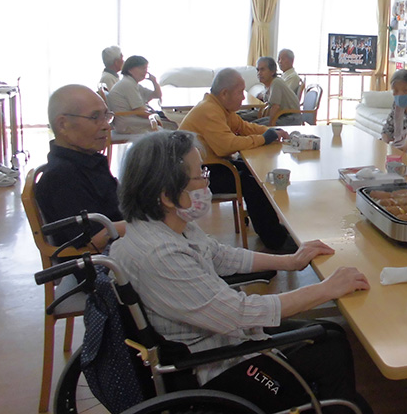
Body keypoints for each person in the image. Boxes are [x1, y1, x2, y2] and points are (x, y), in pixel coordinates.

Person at [110, 130, 372, 414]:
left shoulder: (165, 226)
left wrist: (289, 261)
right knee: (328, 350)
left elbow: (221, 255)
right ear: (167, 196)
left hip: (217, 337)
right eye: (200, 176)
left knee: (331, 333)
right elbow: (239, 313)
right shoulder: (160, 256)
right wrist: (324, 290)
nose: (206, 182)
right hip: (211, 365)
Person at [179, 68, 294, 251]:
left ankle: (271, 229)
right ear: (225, 93)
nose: (243, 97)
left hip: (210, 165)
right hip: (197, 176)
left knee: (256, 173)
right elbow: (227, 146)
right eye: (240, 92)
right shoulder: (209, 111)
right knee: (252, 183)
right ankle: (275, 240)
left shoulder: (219, 107)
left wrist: (271, 132)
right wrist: (264, 139)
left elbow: (244, 127)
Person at [35, 84, 126, 249]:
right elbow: (94, 240)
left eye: (106, 116)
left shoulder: (89, 160)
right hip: (100, 260)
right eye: (95, 117)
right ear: (63, 125)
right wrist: (148, 225)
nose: (106, 126)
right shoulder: (62, 176)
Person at [106, 55, 175, 134]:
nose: (145, 71)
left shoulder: (132, 83)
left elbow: (157, 95)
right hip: (129, 125)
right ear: (130, 70)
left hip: (131, 121)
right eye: (142, 68)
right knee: (172, 125)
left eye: (146, 68)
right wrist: (156, 117)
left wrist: (154, 81)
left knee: (168, 121)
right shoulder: (127, 84)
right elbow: (139, 111)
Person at [254, 57, 302, 126]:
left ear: (272, 71)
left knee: (254, 127)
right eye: (258, 70)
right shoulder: (268, 84)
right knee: (252, 125)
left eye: (262, 70)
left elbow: (275, 107)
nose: (259, 73)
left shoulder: (276, 82)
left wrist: (270, 125)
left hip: (290, 117)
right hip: (281, 115)